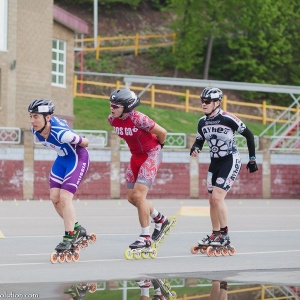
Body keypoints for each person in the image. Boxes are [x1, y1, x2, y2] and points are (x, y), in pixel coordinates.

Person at [190, 87, 258, 251]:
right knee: (211, 200)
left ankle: (225, 235)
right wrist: (195, 147)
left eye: (207, 102)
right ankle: (215, 233)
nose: (203, 104)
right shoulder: (202, 122)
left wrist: (252, 159)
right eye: (202, 101)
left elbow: (249, 135)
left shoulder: (228, 118)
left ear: (217, 103)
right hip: (215, 163)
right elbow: (199, 140)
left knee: (218, 198)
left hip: (230, 159)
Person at [108, 88, 169, 250]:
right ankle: (160, 219)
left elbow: (162, 132)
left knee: (139, 195)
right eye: (111, 105)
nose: (112, 108)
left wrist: (160, 146)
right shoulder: (112, 119)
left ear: (127, 107)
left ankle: (145, 237)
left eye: (116, 106)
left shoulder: (139, 118)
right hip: (136, 157)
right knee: (131, 198)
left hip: (151, 154)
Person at [28, 99, 91, 254]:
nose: (32, 120)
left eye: (36, 116)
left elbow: (86, 142)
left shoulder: (63, 134)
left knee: (65, 197)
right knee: (54, 198)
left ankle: (68, 238)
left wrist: (78, 139)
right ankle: (77, 229)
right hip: (62, 159)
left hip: (77, 158)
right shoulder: (35, 130)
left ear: (47, 117)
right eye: (31, 116)